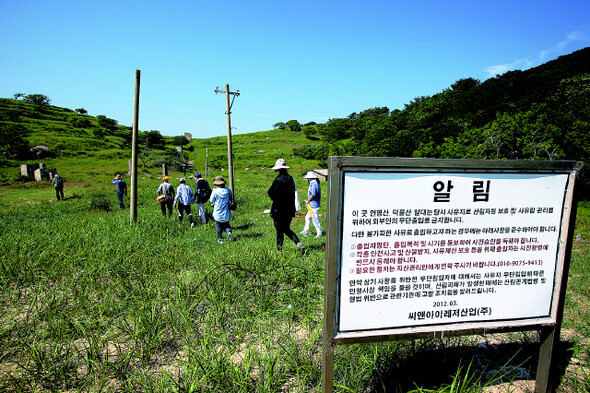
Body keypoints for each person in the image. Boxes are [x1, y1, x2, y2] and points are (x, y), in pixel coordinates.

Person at [267, 158, 304, 252]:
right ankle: (298, 244)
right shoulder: (291, 179)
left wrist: (276, 200)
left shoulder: (277, 180)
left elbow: (270, 192)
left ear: (278, 169)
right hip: (289, 208)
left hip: (278, 209)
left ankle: (279, 250)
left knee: (279, 230)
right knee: (286, 228)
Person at [209, 176, 234, 243]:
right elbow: (231, 198)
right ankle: (229, 232)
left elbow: (211, 200)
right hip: (226, 211)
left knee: (218, 226)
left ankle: (220, 239)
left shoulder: (215, 191)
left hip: (218, 210)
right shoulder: (228, 190)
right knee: (226, 224)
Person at [300, 171, 322, 238]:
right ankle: (305, 231)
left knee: (315, 219)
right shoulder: (315, 183)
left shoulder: (313, 184)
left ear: (310, 178)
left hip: (314, 205)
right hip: (312, 205)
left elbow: (313, 195)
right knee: (307, 218)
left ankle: (319, 233)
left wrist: (308, 201)